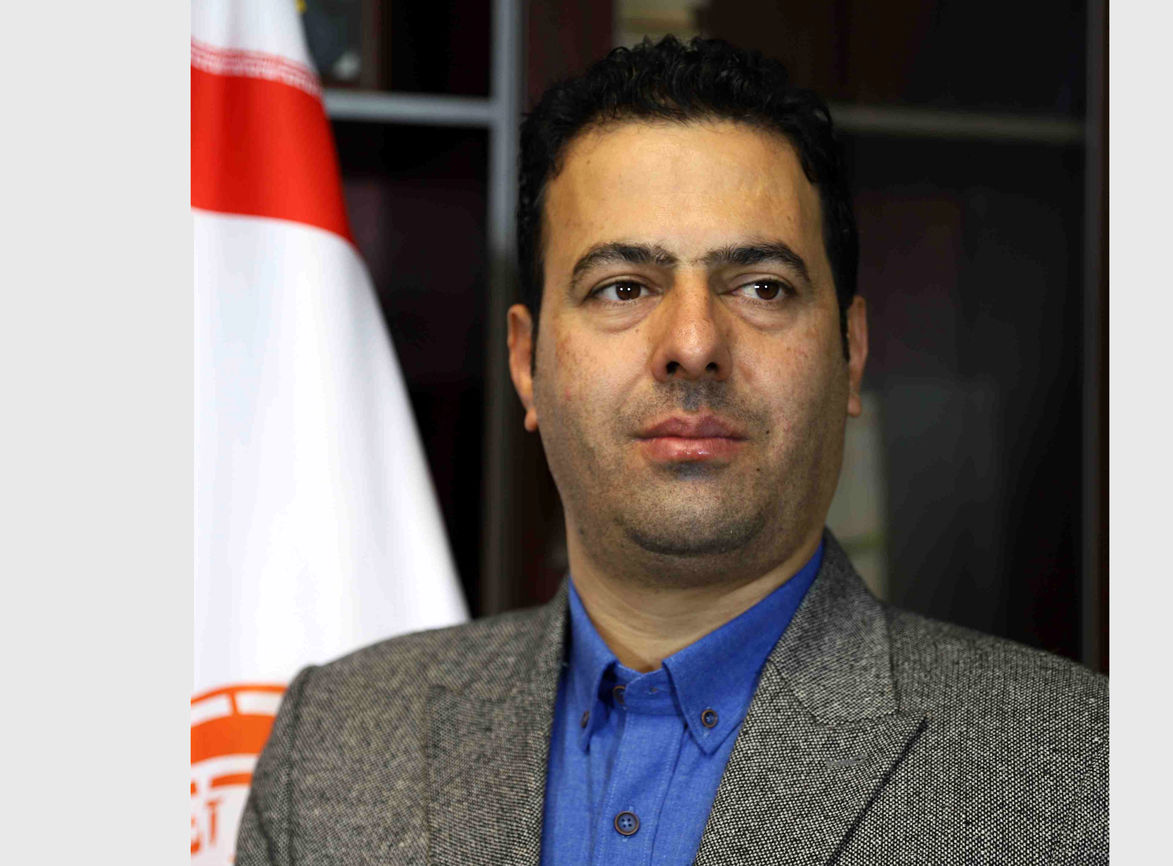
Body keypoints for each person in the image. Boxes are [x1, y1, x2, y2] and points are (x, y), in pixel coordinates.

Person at [236, 36, 1107, 865]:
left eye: (762, 287)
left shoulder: (1082, 776)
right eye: (623, 287)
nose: (693, 343)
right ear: (526, 364)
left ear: (851, 354)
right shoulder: (332, 748)